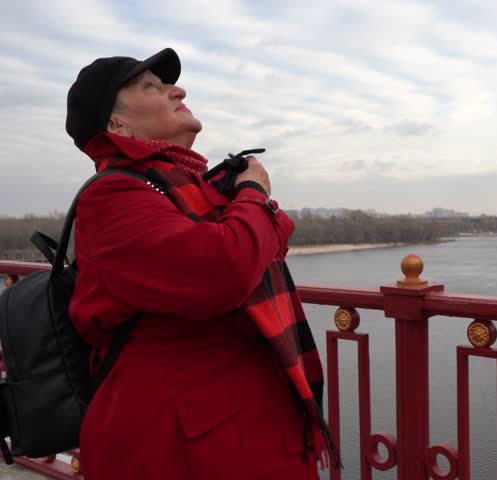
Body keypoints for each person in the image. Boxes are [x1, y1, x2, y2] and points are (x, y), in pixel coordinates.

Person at [65, 48, 335, 480]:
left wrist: (243, 203)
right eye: (152, 87)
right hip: (182, 442)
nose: (179, 91)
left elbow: (275, 235)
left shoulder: (180, 186)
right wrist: (251, 193)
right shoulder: (112, 196)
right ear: (116, 125)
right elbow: (227, 267)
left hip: (238, 424)